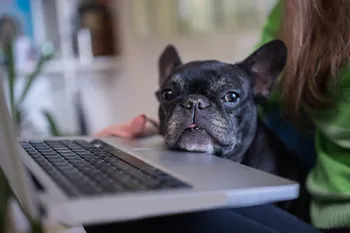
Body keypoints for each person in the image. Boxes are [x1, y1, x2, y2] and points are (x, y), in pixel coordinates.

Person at [88, 1, 350, 232]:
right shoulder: (297, 10)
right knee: (102, 204)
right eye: (170, 94)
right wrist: (152, 130)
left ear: (262, 83)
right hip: (321, 209)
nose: (194, 107)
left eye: (229, 97)